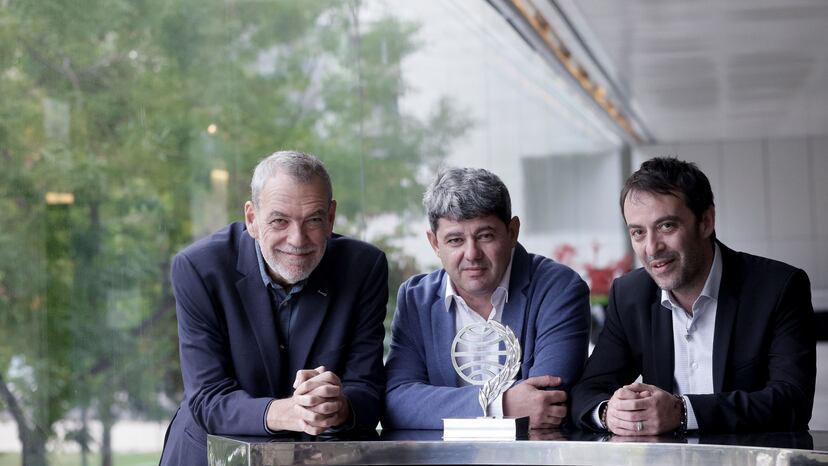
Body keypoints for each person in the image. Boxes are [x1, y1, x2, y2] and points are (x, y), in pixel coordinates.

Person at [160, 151, 388, 465]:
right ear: (252, 219)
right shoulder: (198, 268)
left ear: (330, 218)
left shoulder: (364, 267)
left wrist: (339, 405)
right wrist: (286, 412)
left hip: (317, 455)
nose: (297, 239)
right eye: (280, 221)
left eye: (313, 220)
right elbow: (208, 398)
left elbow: (368, 390)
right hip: (212, 453)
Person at [571, 157, 816, 436]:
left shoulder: (778, 287)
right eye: (638, 232)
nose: (651, 248)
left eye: (666, 226)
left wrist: (683, 413)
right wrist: (610, 413)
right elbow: (587, 391)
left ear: (706, 222)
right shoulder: (630, 295)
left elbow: (792, 401)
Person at [384, 167, 591, 429]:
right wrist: (498, 404)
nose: (472, 254)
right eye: (455, 240)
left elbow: (546, 402)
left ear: (512, 232)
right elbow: (396, 403)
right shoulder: (416, 300)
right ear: (435, 243)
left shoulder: (558, 289)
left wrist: (442, 407)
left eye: (485, 236)